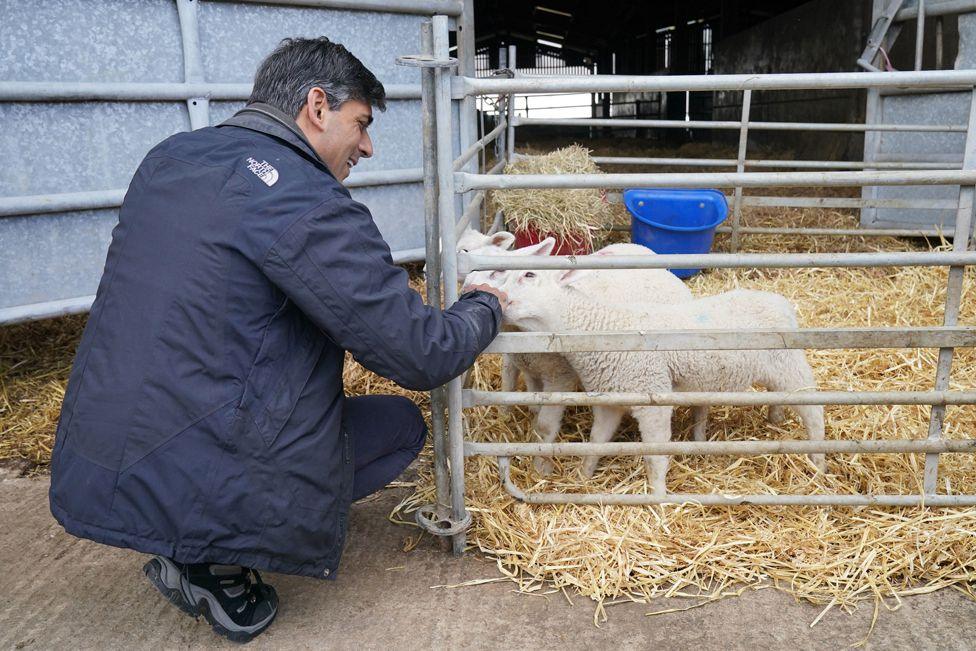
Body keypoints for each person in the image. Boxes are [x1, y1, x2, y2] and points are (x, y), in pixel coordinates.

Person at [48, 37, 506, 643]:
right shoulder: (307, 201)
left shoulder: (171, 157)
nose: (367, 147)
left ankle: (179, 523)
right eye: (361, 124)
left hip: (98, 450)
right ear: (318, 107)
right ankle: (214, 561)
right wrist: (486, 305)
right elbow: (420, 352)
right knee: (399, 427)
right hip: (198, 462)